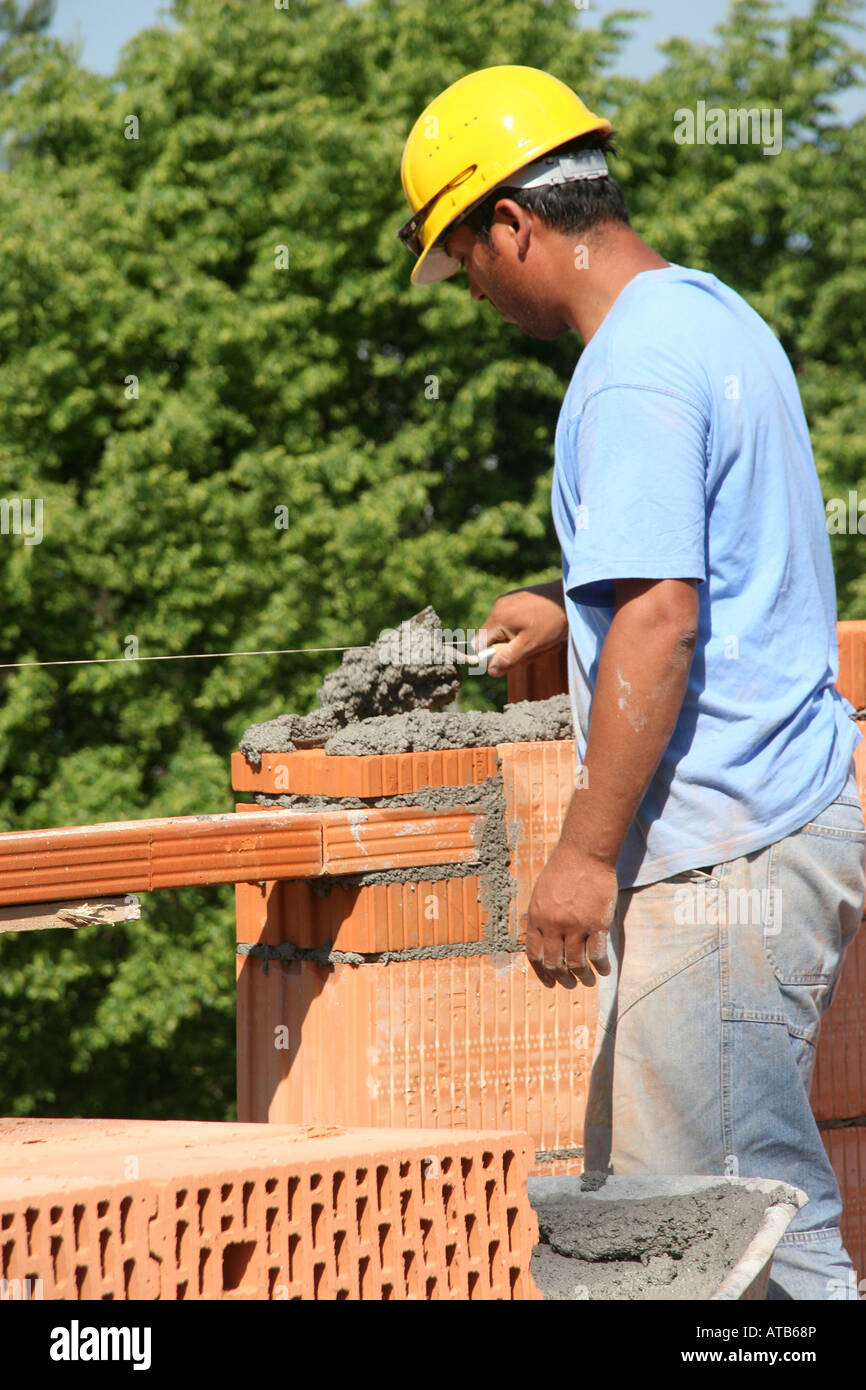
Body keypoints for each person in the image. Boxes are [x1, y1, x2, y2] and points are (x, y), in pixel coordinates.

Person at [397, 64, 866, 1300]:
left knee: (733, 1218)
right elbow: (693, 566)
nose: (476, 294)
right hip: (774, 814)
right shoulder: (707, 316)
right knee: (682, 1242)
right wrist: (569, 602)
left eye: (467, 260)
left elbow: (661, 621)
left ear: (512, 223)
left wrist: (583, 854)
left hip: (724, 847)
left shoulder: (630, 373)